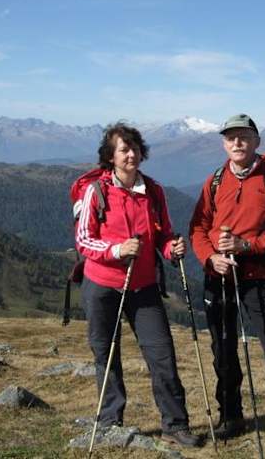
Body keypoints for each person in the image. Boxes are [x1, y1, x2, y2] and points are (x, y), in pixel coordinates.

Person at [189, 113, 265, 458]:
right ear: (224, 143)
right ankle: (231, 417)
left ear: (256, 141)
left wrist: (246, 246)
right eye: (231, 137)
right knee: (223, 350)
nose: (237, 143)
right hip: (219, 276)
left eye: (244, 136)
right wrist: (210, 258)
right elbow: (198, 228)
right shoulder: (215, 181)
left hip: (257, 278)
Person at [75, 122, 200, 448]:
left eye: (134, 148)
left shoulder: (153, 191)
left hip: (143, 286)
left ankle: (175, 425)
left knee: (162, 354)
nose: (130, 154)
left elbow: (162, 235)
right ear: (110, 157)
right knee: (106, 353)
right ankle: (110, 420)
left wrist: (172, 248)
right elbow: (83, 239)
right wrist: (117, 250)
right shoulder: (96, 191)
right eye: (123, 149)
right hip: (102, 285)